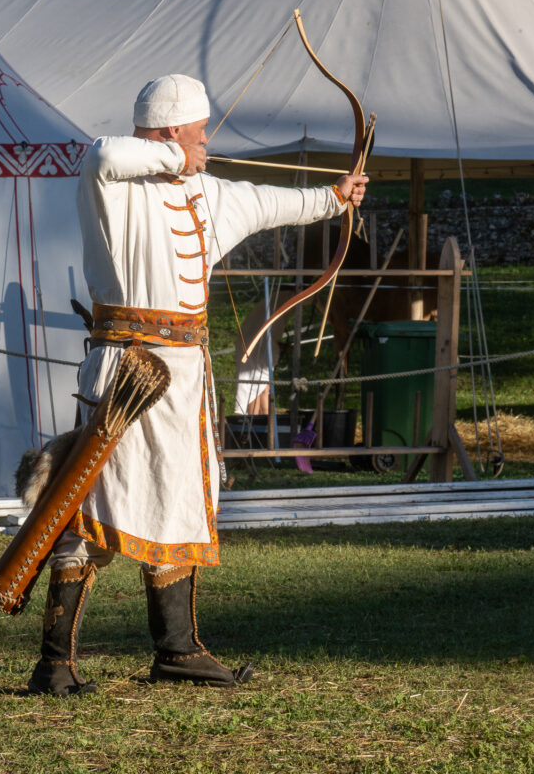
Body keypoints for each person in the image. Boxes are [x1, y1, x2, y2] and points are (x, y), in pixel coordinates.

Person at [28, 74, 368, 695]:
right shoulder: (112, 183)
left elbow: (273, 202)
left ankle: (177, 652)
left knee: (184, 498)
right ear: (168, 132)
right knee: (89, 506)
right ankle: (55, 662)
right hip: (126, 365)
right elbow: (102, 152)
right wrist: (168, 154)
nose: (207, 142)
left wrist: (335, 196)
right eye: (197, 131)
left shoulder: (207, 193)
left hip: (185, 375)